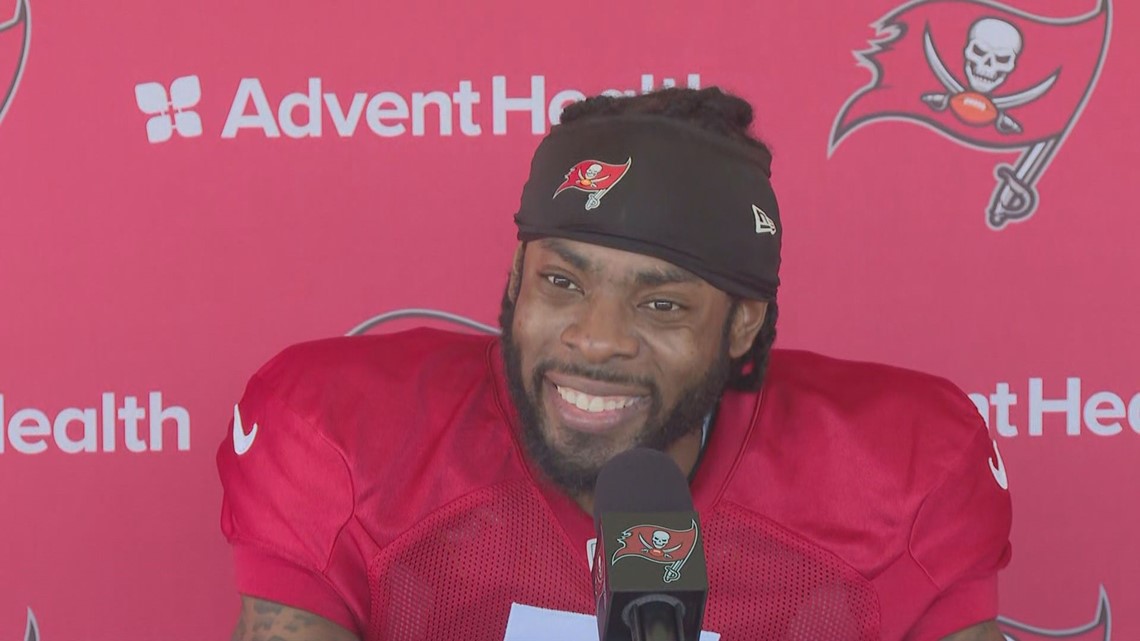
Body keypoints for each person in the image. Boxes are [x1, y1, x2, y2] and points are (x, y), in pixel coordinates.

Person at [217, 87, 1012, 641]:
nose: (596, 339)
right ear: (513, 284)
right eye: (561, 283)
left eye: (661, 304)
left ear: (742, 325)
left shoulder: (897, 471)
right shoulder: (344, 435)